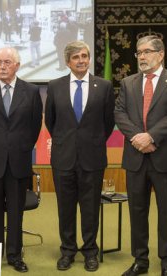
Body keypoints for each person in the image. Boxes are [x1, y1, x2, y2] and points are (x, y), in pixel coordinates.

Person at [114, 35, 167, 276]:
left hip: (165, 157)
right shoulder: (128, 82)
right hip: (136, 157)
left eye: (147, 52)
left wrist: (152, 137)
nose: (142, 57)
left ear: (161, 54)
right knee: (137, 211)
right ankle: (140, 261)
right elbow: (120, 113)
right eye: (139, 53)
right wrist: (139, 138)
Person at [45, 41, 115, 272]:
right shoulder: (54, 86)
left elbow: (108, 122)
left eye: (85, 56)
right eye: (76, 57)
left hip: (92, 157)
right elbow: (51, 121)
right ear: (67, 62)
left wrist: (90, 141)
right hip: (63, 157)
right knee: (65, 208)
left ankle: (90, 252)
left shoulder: (103, 86)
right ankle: (67, 251)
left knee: (90, 207)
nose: (82, 60)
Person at [0, 47, 42, 273]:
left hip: (19, 161)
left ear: (17, 66)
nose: (2, 66)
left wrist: (19, 146)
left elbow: (34, 126)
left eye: (7, 62)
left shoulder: (31, 91)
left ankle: (14, 256)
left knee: (15, 212)